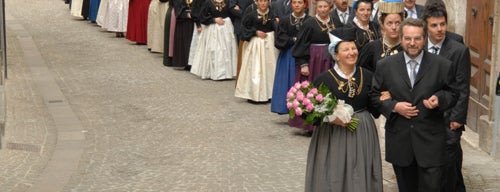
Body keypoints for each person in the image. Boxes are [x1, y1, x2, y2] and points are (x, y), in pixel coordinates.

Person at [370, 18, 457, 192]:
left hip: (431, 142)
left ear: (424, 39)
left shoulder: (442, 65)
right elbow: (374, 95)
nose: (412, 43)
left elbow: (453, 93)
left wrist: (439, 99)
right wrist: (394, 107)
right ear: (401, 39)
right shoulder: (385, 66)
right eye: (408, 38)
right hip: (401, 143)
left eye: (417, 38)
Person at [305, 27, 382, 192]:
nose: (351, 52)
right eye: (345, 49)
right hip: (333, 136)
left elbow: (374, 110)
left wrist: (382, 98)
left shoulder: (367, 75)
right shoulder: (324, 79)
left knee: (360, 172)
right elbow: (311, 113)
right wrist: (331, 118)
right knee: (334, 173)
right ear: (336, 55)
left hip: (362, 132)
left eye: (353, 48)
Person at [421, 3, 471, 192]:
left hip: (449, 118)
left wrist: (457, 118)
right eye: (434, 25)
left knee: (450, 163)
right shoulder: (419, 46)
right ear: (426, 26)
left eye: (442, 24)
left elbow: (463, 87)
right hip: (426, 116)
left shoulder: (458, 50)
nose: (440, 29)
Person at [291, 0, 335, 133]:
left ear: (330, 7)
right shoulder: (309, 23)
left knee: (329, 89)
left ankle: (329, 120)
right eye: (320, 6)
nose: (322, 9)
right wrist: (303, 63)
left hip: (330, 60)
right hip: (314, 60)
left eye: (325, 6)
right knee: (314, 90)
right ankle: (311, 124)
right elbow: (301, 44)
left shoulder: (334, 22)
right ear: (316, 8)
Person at [235, 0, 278, 102]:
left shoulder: (272, 14)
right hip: (255, 46)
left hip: (269, 46)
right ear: (257, 2)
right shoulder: (250, 15)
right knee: (255, 68)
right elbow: (243, 30)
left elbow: (277, 29)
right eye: (260, 1)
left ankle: (270, 93)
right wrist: (255, 32)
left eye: (265, 1)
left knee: (270, 68)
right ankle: (253, 94)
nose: (263, 3)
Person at [270, 0, 309, 114]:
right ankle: (285, 106)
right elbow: (279, 39)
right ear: (291, 4)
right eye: (294, 2)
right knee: (287, 80)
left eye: (300, 2)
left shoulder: (309, 20)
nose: (297, 5)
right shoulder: (285, 20)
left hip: (305, 54)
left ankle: (302, 107)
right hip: (288, 54)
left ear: (305, 4)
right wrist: (293, 40)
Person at [190, 0, 238, 80]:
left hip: (226, 29)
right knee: (215, 50)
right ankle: (215, 73)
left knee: (226, 51)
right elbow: (202, 17)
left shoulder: (227, 1)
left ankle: (226, 73)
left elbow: (231, 14)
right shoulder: (208, 2)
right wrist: (214, 20)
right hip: (213, 30)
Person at [358, 0, 405, 72]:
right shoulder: (371, 48)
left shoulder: (407, 48)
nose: (394, 27)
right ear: (382, 25)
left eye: (398, 23)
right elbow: (362, 74)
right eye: (389, 23)